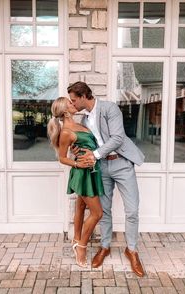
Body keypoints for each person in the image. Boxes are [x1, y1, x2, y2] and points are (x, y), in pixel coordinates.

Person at [68, 81, 145, 277]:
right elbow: (85, 144)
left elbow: (117, 138)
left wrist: (94, 155)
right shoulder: (84, 122)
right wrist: (77, 151)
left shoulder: (110, 108)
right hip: (101, 168)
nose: (72, 103)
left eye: (74, 99)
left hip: (122, 163)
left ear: (84, 96)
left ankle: (132, 250)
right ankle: (105, 247)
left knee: (132, 210)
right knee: (104, 210)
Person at [47, 97, 104, 267]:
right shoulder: (65, 132)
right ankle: (81, 247)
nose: (74, 104)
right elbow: (62, 158)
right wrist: (78, 162)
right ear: (65, 111)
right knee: (97, 213)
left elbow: (90, 145)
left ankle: (76, 238)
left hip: (92, 171)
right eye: (70, 103)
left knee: (80, 207)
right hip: (82, 174)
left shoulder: (80, 124)